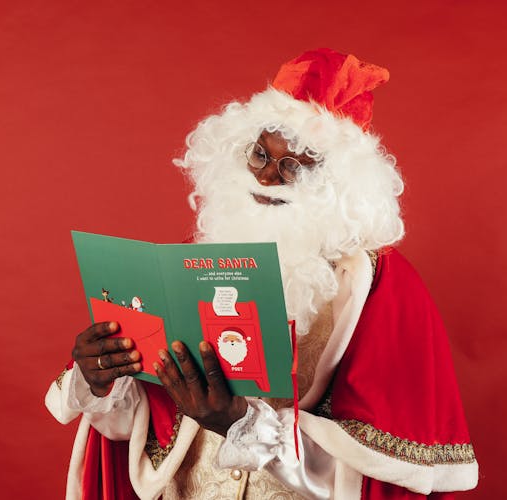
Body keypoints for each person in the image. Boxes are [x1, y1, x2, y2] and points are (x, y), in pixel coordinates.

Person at [46, 48, 479, 499]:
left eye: (294, 165)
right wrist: (105, 380)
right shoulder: (192, 266)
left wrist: (242, 424)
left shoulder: (381, 289)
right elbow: (147, 430)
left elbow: (375, 472)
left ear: (341, 185)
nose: (268, 178)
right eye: (259, 156)